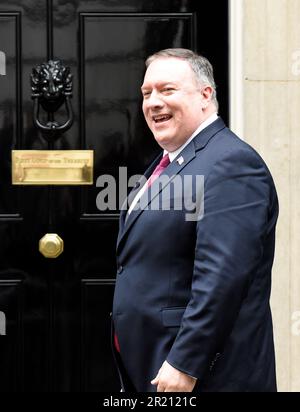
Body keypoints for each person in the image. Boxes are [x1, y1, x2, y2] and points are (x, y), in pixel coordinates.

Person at [111, 48, 279, 392]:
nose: (153, 102)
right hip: (153, 363)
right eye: (146, 93)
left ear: (206, 95)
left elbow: (222, 276)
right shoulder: (169, 163)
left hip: (199, 376)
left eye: (167, 90)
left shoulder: (230, 164)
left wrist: (186, 362)